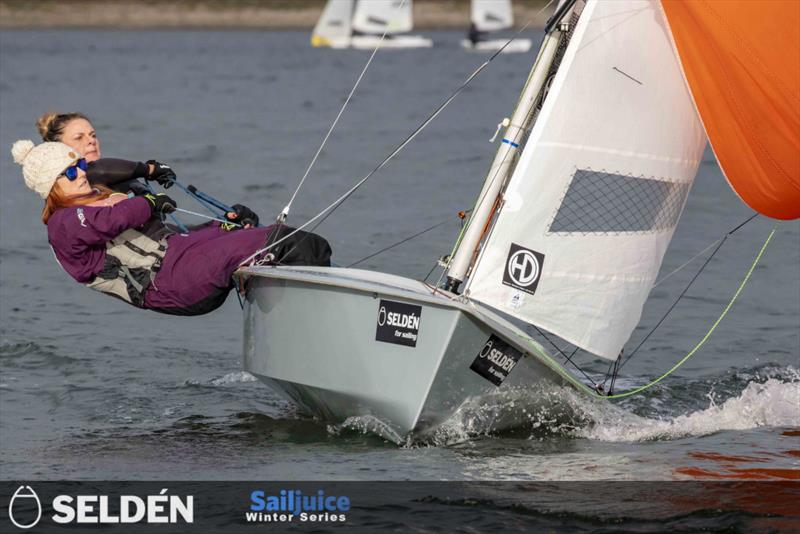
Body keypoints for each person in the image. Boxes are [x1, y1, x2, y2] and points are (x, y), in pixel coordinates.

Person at [12, 140, 332, 316]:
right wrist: (148, 202)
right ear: (50, 187)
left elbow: (162, 240)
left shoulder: (95, 202)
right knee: (291, 241)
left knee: (254, 229)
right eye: (70, 173)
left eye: (81, 165)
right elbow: (111, 222)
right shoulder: (63, 224)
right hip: (169, 283)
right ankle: (325, 329)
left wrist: (221, 225)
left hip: (179, 259)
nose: (82, 174)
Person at [37, 111, 176, 195]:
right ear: (58, 148)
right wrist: (151, 169)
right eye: (79, 137)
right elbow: (99, 171)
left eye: (93, 135)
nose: (91, 141)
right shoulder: (71, 181)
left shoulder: (114, 173)